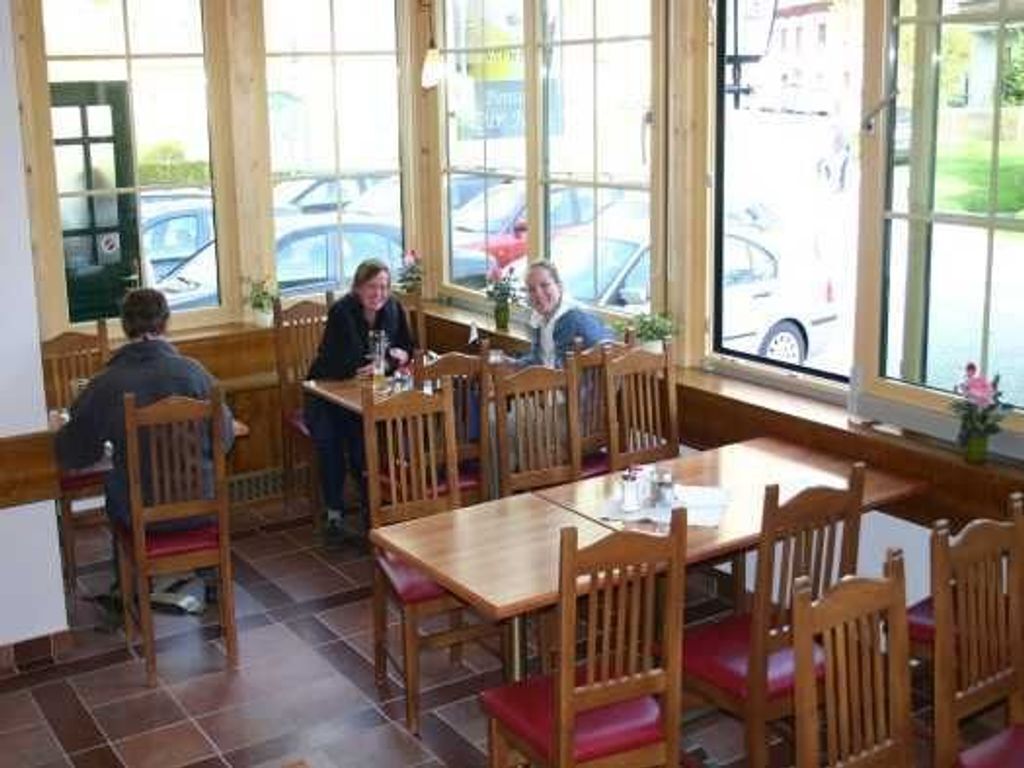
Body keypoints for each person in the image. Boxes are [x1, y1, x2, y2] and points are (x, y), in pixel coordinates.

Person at [54, 288, 234, 615]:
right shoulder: (195, 373)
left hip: (141, 520)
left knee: (117, 487)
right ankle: (210, 579)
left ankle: (127, 588)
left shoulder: (106, 384)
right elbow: (225, 438)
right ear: (165, 322)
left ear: (125, 326)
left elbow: (74, 453)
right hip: (203, 510)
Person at [305, 259, 414, 533]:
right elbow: (349, 357)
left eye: (384, 287)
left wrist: (389, 361)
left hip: (367, 392)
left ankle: (373, 508)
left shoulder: (393, 308)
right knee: (332, 440)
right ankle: (334, 512)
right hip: (327, 388)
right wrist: (388, 359)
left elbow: (408, 347)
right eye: (371, 287)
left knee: (367, 438)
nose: (378, 293)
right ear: (357, 288)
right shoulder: (342, 312)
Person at [518, 260, 613, 367]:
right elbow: (538, 360)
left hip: (580, 377)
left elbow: (560, 371)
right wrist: (510, 364)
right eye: (531, 289)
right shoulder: (539, 317)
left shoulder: (570, 319)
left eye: (544, 285)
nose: (538, 294)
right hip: (558, 376)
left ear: (559, 287)